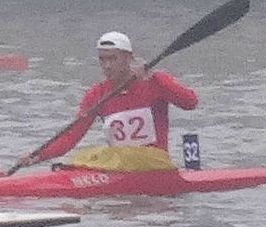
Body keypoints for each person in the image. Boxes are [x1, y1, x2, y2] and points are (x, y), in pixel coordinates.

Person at [14, 30, 197, 173]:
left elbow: (190, 103)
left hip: (154, 164)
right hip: (118, 166)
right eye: (102, 59)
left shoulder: (154, 82)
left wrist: (156, 79)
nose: (107, 65)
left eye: (113, 59)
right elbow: (71, 136)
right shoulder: (97, 93)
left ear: (128, 58)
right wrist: (38, 157)